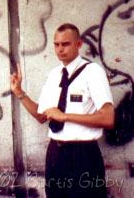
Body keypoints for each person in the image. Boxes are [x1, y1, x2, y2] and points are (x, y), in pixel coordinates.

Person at [10, 23, 115, 198]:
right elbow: (42, 116)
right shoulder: (54, 75)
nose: (60, 49)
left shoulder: (93, 72)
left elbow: (108, 117)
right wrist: (19, 92)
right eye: (56, 44)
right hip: (56, 153)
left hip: (83, 154)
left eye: (65, 44)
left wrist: (64, 116)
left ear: (79, 44)